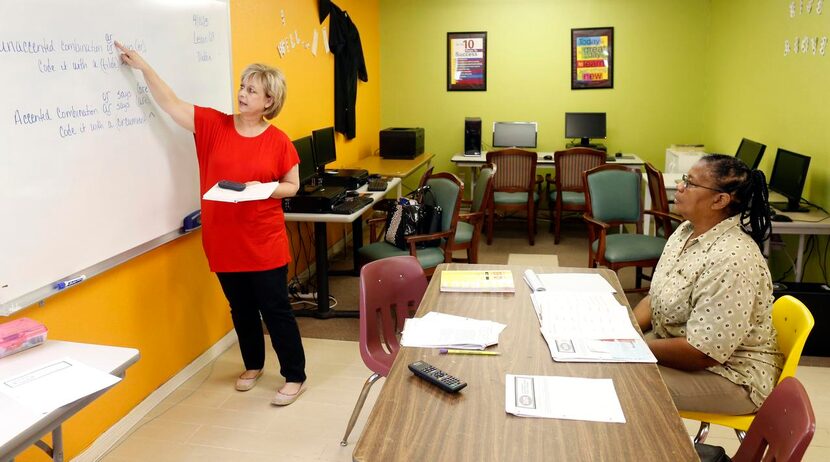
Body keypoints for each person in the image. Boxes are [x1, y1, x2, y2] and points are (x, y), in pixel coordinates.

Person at [115, 41, 307, 406]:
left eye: (252, 89)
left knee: (276, 309)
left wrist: (262, 189)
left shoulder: (279, 141)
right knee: (241, 308)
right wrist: (143, 67)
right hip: (223, 241)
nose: (242, 93)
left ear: (269, 100)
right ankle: (253, 366)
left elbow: (292, 186)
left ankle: (294, 375)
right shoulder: (213, 124)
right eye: (242, 86)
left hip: (264, 242)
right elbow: (170, 102)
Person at [633, 154, 783, 415]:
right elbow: (654, 298)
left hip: (730, 375)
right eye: (684, 180)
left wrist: (630, 346)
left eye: (690, 183)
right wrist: (623, 332)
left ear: (720, 200)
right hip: (676, 345)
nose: (680, 187)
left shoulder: (732, 259)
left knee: (624, 383)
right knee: (606, 362)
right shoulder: (685, 231)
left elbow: (702, 353)